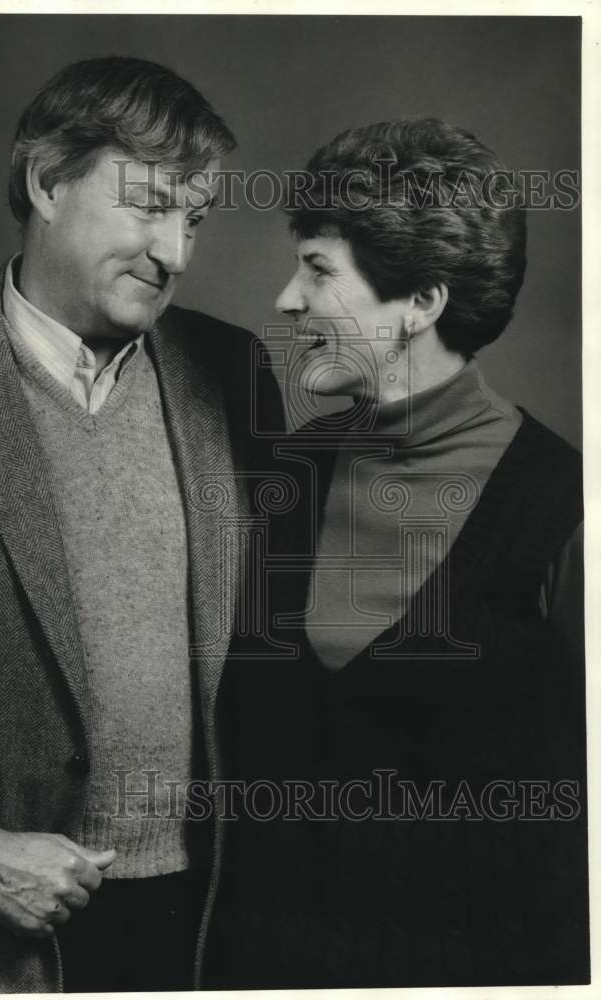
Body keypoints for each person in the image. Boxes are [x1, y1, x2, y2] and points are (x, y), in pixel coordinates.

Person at [0, 56, 283, 995]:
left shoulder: (233, 373)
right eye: (150, 206)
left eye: (195, 219)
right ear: (47, 181)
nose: (177, 253)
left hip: (198, 933)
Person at [214, 118, 587, 988]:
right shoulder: (289, 476)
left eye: (317, 271)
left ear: (422, 300)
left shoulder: (565, 509)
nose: (286, 301)